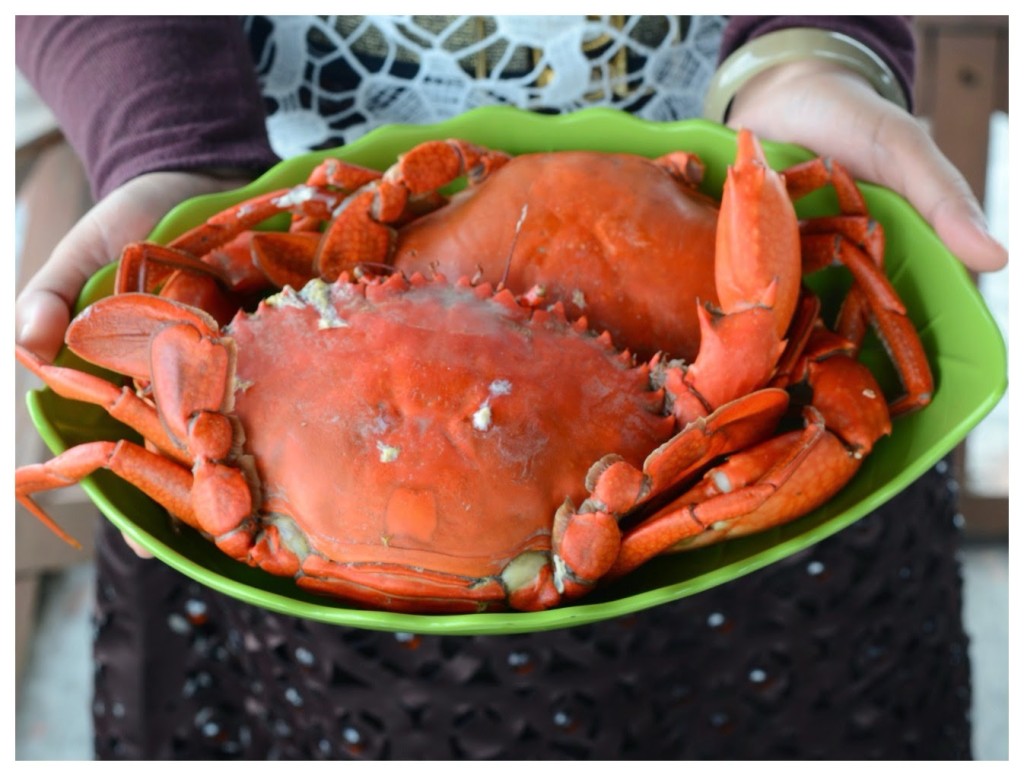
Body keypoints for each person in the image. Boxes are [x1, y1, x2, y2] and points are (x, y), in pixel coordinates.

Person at [15, 16, 1005, 759]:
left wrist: (808, 49)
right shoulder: (660, 422)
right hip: (294, 189)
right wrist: (164, 144)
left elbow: (112, 390)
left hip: (742, 589)